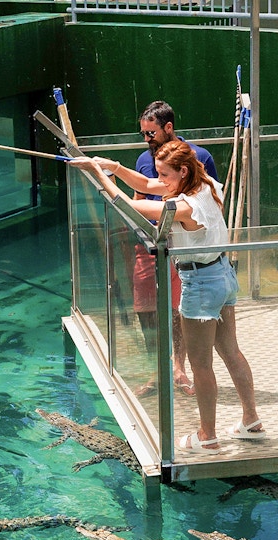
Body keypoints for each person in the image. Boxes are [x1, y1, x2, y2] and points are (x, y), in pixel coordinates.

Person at [68, 140, 266, 454]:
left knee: (201, 365)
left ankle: (207, 436)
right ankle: (251, 421)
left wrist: (95, 171)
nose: (159, 180)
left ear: (182, 170)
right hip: (223, 275)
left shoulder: (185, 207)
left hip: (200, 284)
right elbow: (146, 185)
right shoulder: (208, 185)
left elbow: (125, 204)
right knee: (231, 351)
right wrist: (115, 167)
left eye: (165, 174)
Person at [134, 101, 219, 397]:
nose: (147, 139)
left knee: (178, 307)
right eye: (143, 133)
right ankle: (157, 369)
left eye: (151, 132)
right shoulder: (145, 160)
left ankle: (178, 367)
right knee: (144, 305)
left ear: (168, 128)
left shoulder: (199, 157)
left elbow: (211, 202)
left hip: (182, 248)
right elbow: (141, 192)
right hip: (149, 242)